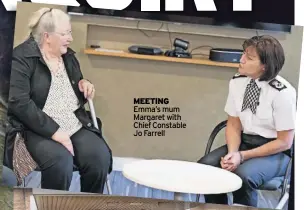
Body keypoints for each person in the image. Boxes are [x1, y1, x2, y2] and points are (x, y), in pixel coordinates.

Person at [3, 8, 113, 193]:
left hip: (72, 123)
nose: (70, 38)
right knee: (60, 162)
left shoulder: (67, 56)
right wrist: (55, 132)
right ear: (47, 36)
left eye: (69, 32)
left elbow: (74, 87)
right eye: (65, 33)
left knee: (99, 157)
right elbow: (19, 102)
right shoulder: (21, 58)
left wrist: (85, 84)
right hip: (35, 129)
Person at [197, 35, 296, 207]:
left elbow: (284, 142)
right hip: (244, 143)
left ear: (264, 66)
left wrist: (241, 157)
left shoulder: (283, 93)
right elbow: (234, 123)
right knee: (205, 168)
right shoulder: (237, 82)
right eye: (243, 54)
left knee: (242, 176)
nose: (241, 60)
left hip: (275, 151)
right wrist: (233, 153)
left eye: (249, 58)